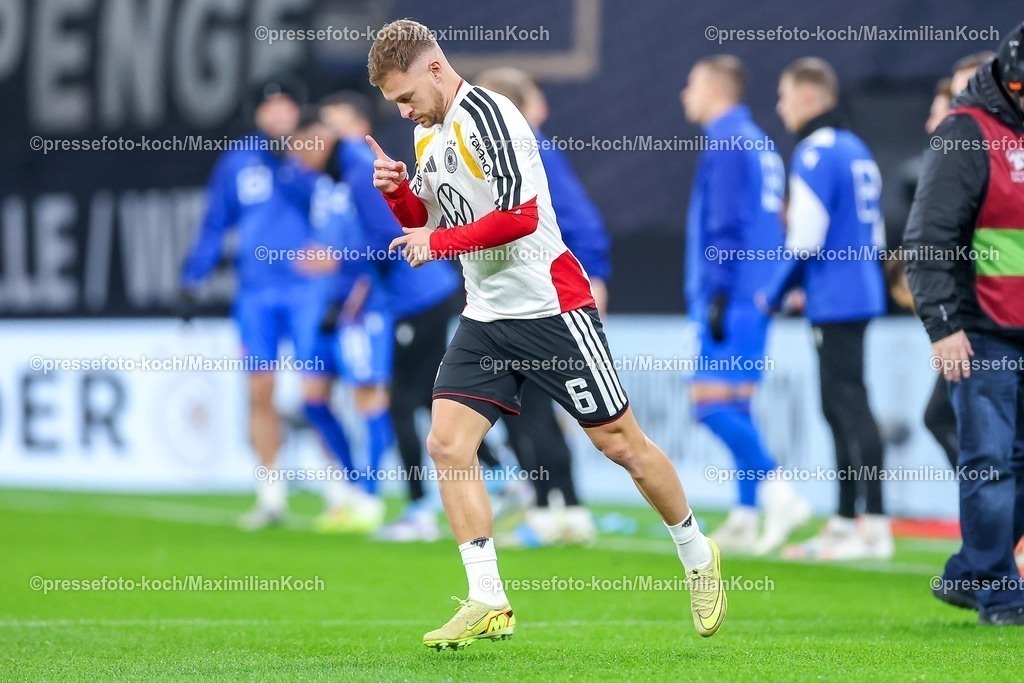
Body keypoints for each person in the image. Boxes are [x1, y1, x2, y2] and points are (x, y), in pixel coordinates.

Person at [366, 19, 726, 649]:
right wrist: (401, 198)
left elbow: (518, 216)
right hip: (487, 316)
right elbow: (432, 219)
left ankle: (698, 555)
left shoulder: (491, 115)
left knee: (622, 445)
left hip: (550, 310)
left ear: (433, 66)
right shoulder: (428, 134)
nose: (401, 109)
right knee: (449, 445)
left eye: (404, 95)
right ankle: (488, 599)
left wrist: (437, 239)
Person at [180, 75, 358, 530]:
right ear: (257, 113)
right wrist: (193, 277)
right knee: (259, 390)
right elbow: (216, 220)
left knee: (316, 389)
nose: (278, 114)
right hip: (256, 291)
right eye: (269, 107)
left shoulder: (316, 153)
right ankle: (270, 494)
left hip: (307, 289)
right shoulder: (239, 159)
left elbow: (343, 209)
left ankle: (340, 489)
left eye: (285, 106)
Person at [905, 25, 1024, 625]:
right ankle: (1000, 594)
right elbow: (928, 237)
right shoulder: (966, 134)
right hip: (982, 331)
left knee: (1006, 466)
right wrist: (944, 325)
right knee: (990, 462)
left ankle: (970, 572)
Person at [315, 91, 466, 542]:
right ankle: (501, 473)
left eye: (332, 123)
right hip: (427, 292)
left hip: (416, 296)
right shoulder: (350, 174)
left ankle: (420, 510)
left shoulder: (359, 171)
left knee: (401, 402)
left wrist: (353, 290)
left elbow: (386, 238)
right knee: (425, 398)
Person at [760, 57, 893, 560]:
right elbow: (872, 233)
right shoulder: (856, 149)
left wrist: (773, 293)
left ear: (810, 98)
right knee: (840, 405)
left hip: (835, 298)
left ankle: (873, 525)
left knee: (848, 407)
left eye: (786, 95)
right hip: (858, 289)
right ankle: (845, 521)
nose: (781, 106)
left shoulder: (814, 153)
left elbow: (806, 239)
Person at [471, 66, 609, 547]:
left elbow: (582, 221)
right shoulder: (509, 153)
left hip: (542, 298)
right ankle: (563, 506)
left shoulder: (526, 152)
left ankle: (556, 507)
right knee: (535, 410)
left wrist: (596, 278)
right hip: (522, 297)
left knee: (533, 409)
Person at [680, 55, 811, 555]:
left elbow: (724, 225)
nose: (684, 95)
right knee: (737, 404)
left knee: (709, 407)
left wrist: (714, 290)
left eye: (691, 84)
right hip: (755, 292)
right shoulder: (758, 141)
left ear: (715, 89)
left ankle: (778, 492)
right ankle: (745, 511)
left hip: (731, 295)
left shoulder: (727, 140)